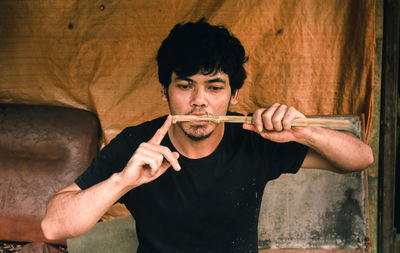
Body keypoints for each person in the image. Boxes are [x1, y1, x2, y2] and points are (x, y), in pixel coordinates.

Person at [41, 19, 373, 253]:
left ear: (234, 95)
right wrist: (122, 181)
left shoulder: (253, 137)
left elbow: (360, 159)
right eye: (185, 86)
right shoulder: (138, 145)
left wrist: (306, 132)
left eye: (214, 87)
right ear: (165, 91)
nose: (199, 101)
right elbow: (52, 227)